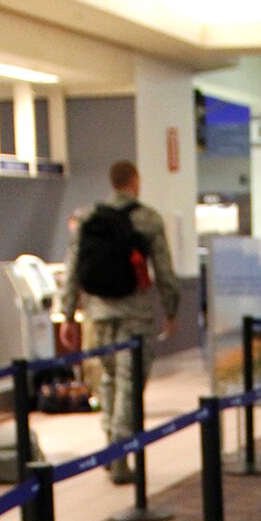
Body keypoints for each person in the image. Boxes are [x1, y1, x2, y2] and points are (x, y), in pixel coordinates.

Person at [63, 159, 179, 484]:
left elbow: (72, 270)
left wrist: (68, 315)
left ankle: (110, 446)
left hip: (99, 314)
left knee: (111, 380)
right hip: (135, 316)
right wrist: (171, 310)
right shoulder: (147, 218)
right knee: (130, 383)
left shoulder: (88, 219)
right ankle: (118, 454)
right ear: (135, 181)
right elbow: (165, 271)